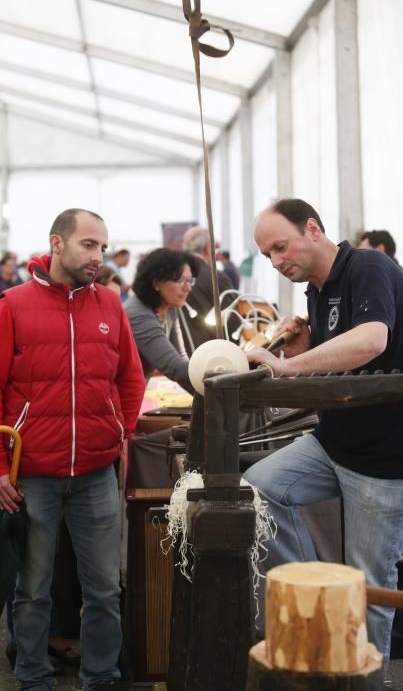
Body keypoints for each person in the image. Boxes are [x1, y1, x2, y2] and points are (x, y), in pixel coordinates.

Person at [0, 208, 146, 691]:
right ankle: (32, 675)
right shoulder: (12, 305)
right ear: (57, 243)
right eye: (89, 244)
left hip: (95, 473)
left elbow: (130, 377)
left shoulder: (111, 306)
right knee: (32, 590)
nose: (98, 255)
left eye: (103, 247)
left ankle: (102, 676)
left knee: (106, 590)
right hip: (32, 476)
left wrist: (120, 431)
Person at [243, 197, 403, 666]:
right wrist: (305, 344)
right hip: (332, 443)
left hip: (382, 458)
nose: (275, 262)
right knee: (259, 486)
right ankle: (315, 590)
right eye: (268, 254)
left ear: (313, 229)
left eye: (280, 247)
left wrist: (288, 366)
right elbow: (338, 364)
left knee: (369, 585)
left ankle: (362, 677)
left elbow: (373, 339)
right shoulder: (317, 289)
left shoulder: (368, 266)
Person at [124, 247, 198, 394]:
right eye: (180, 280)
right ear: (156, 283)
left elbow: (180, 358)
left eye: (190, 280)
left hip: (134, 393)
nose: (187, 287)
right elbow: (175, 368)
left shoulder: (169, 308)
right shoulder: (137, 314)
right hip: (117, 399)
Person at [181, 226, 237, 351]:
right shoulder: (216, 277)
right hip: (213, 354)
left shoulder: (173, 277)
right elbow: (231, 320)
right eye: (215, 248)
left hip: (181, 352)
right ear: (207, 249)